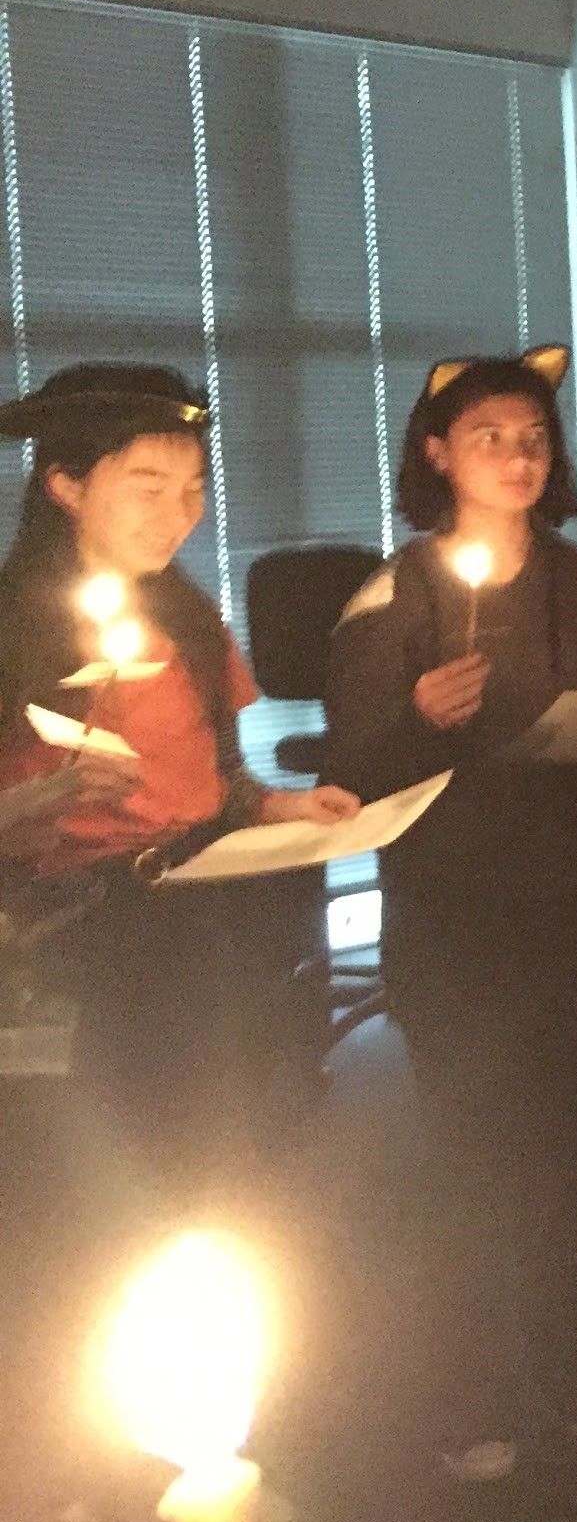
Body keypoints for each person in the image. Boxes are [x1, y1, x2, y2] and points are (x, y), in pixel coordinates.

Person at [324, 346, 577, 1484]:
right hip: (459, 917)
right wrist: (421, 718)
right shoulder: (397, 596)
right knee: (471, 1155)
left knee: (565, 1152)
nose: (518, 457)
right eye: (490, 437)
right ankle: (465, 1383)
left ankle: (572, 1362)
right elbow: (354, 775)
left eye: (533, 438)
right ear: (437, 453)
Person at [0, 363, 358, 1196]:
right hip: (66, 936)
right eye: (149, 487)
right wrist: (33, 803)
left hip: (198, 915)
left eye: (194, 487)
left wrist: (281, 803)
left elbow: (221, 777)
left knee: (205, 1151)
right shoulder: (13, 626)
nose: (180, 515)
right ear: (64, 482)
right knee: (83, 1176)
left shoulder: (189, 618)